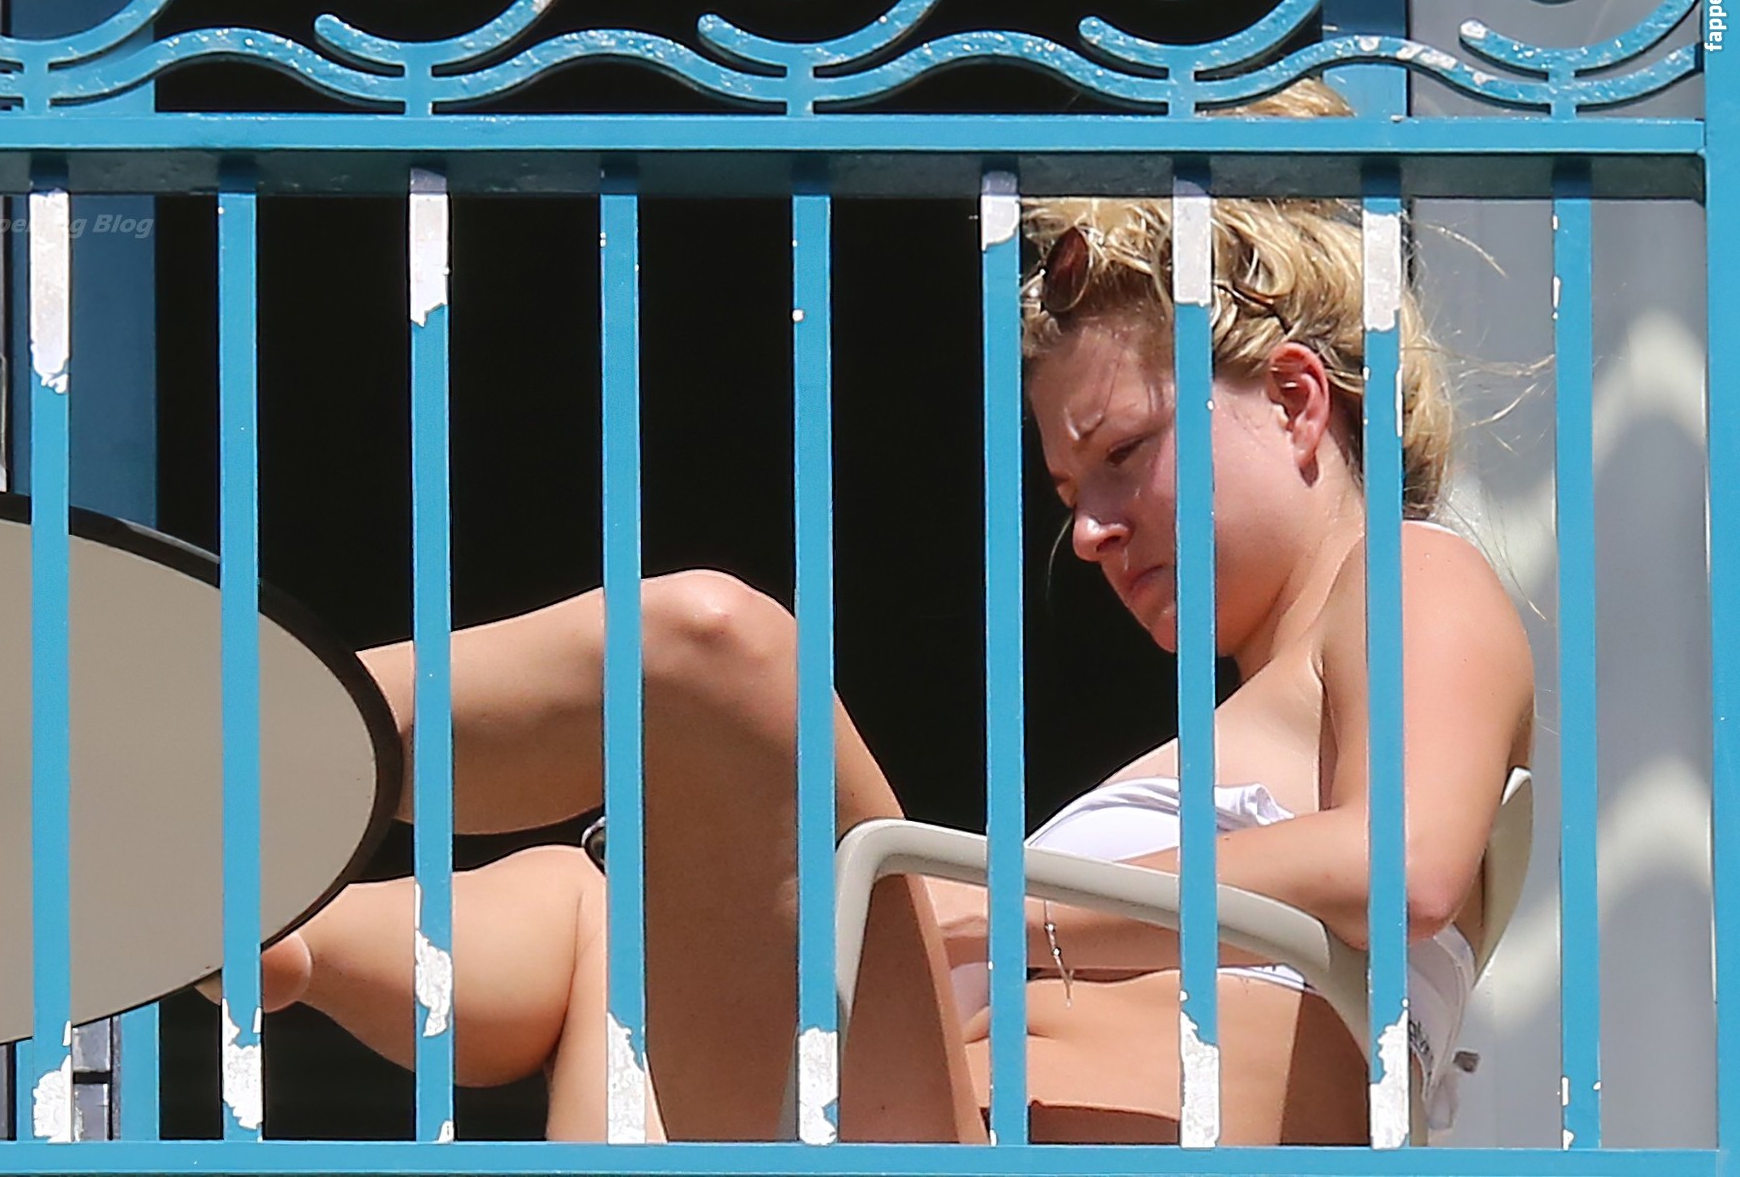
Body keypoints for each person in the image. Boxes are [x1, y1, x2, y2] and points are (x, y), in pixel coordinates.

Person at [235, 78, 1533, 1145]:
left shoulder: (1409, 572)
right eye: (1069, 490)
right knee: (607, 903)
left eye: (1125, 453)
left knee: (710, 655)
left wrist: (991, 912)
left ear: (1297, 400)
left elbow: (1406, 864)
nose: (1090, 531)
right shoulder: (1257, 716)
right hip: (943, 1127)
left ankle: (230, 722)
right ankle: (250, 918)